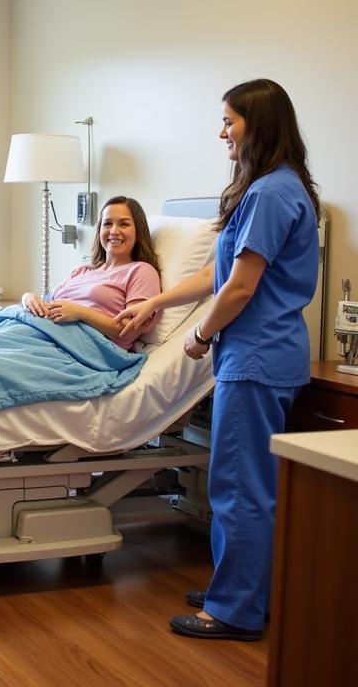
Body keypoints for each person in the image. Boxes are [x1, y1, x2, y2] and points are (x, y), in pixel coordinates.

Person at [116, 79, 319, 641]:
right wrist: (158, 299)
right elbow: (219, 274)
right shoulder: (272, 188)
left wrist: (201, 335)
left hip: (253, 358)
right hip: (263, 355)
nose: (221, 131)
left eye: (229, 121)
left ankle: (234, 611)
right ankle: (244, 588)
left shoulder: (272, 194)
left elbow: (239, 290)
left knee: (239, 487)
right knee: (247, 484)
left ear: (260, 124)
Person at [21, 196, 161, 351]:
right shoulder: (82, 271)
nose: (114, 231)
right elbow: (48, 302)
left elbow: (129, 331)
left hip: (79, 348)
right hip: (42, 331)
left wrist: (81, 313)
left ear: (138, 231)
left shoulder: (142, 271)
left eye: (124, 224)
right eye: (107, 224)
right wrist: (28, 298)